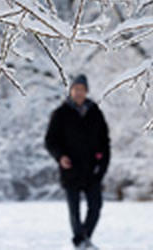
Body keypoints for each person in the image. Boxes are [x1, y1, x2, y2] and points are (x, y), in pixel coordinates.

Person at [45, 74, 111, 250]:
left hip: (92, 170)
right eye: (75, 89)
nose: (79, 92)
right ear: (70, 91)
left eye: (82, 89)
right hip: (70, 169)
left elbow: (105, 142)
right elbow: (50, 140)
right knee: (74, 210)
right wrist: (60, 157)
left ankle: (83, 239)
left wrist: (102, 165)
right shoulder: (60, 114)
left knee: (95, 207)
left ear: (86, 91)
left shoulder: (95, 113)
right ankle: (81, 241)